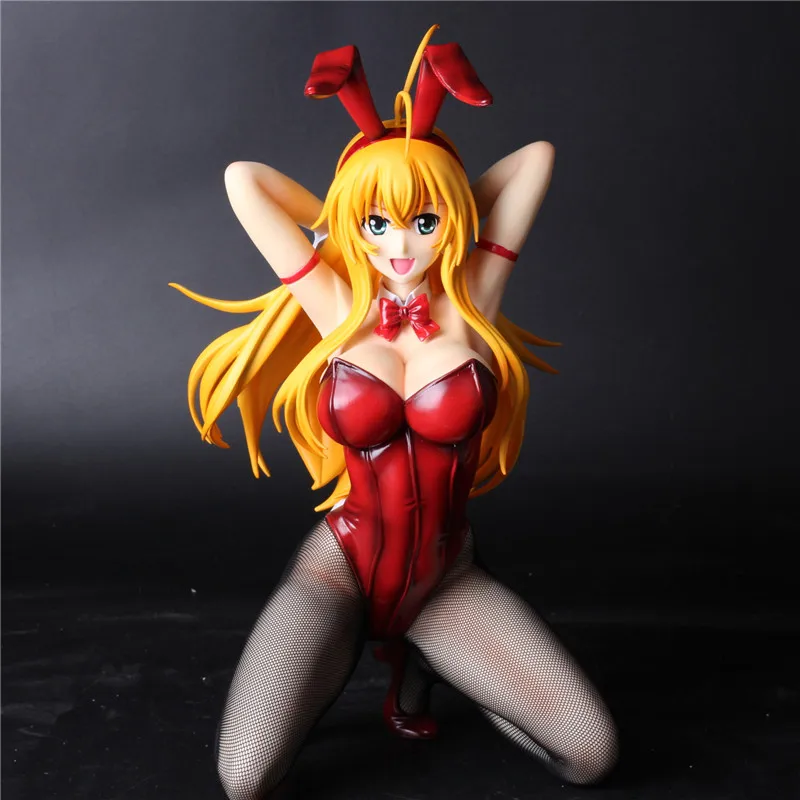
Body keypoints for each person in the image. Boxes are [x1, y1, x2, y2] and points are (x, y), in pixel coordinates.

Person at [171, 25, 619, 800]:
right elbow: (244, 181)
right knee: (244, 779)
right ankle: (400, 656)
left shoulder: (473, 301)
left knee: (591, 755)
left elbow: (534, 159)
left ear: (450, 220)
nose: (400, 246)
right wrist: (354, 200)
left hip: (445, 578)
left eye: (423, 222)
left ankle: (430, 660)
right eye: (378, 225)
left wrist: (433, 184)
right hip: (339, 569)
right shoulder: (335, 305)